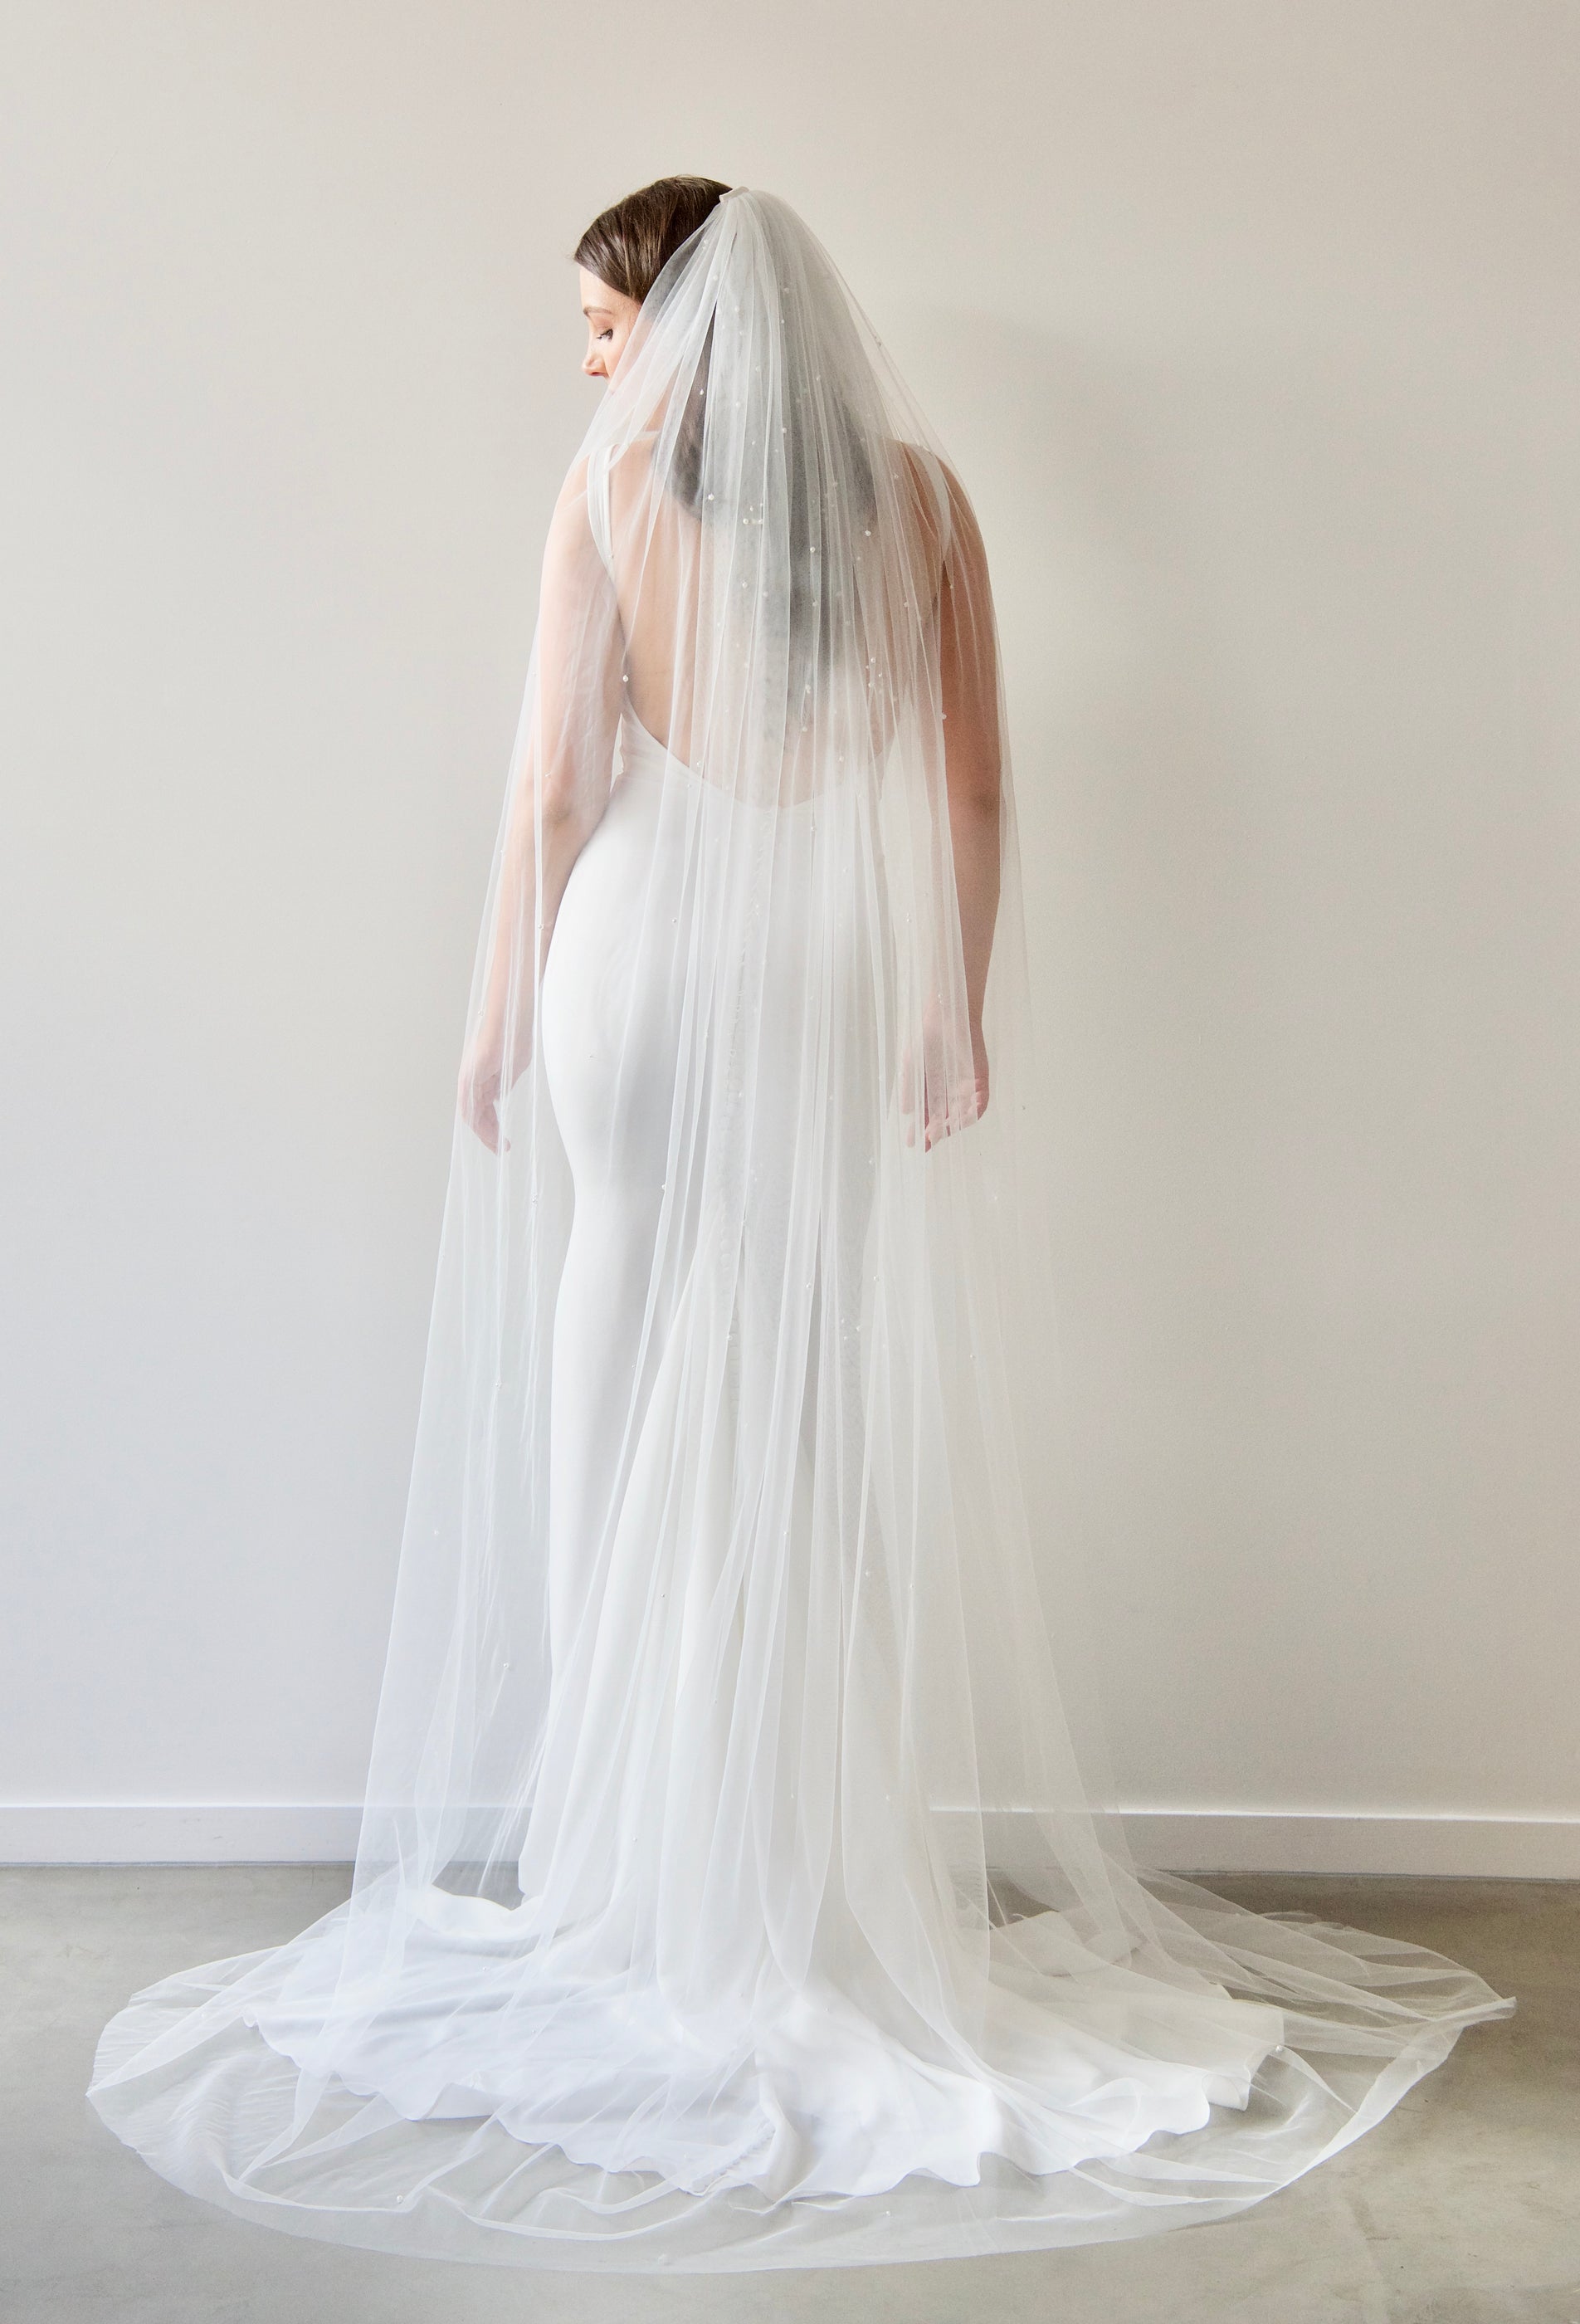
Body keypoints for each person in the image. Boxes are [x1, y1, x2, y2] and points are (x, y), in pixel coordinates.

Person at [88, 180, 1510, 2274]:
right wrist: (950, 997)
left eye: (605, 325)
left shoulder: (605, 493)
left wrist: (493, 1007)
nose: (591, 360)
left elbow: (554, 791)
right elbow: (973, 789)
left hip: (642, 954)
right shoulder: (923, 502)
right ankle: (800, 1863)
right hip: (831, 962)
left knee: (615, 1332)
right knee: (812, 1373)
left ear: (679, 327)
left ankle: (633, 1870)